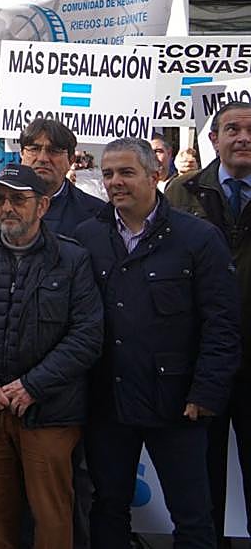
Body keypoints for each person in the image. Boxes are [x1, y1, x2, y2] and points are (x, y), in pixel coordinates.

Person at [77, 138, 239, 548]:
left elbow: (221, 324)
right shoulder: (86, 237)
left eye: (126, 172)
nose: (115, 182)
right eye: (109, 173)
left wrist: (205, 392)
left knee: (191, 514)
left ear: (154, 176)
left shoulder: (198, 238)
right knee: (108, 507)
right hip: (107, 402)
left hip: (177, 404)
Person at [0, 163, 103, 549]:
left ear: (42, 206)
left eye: (17, 199)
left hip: (49, 412)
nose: (6, 207)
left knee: (52, 515)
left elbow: (87, 335)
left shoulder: (72, 260)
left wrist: (32, 386)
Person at [166, 100, 251, 544]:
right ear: (213, 139)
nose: (243, 138)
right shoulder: (180, 193)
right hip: (199, 368)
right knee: (202, 490)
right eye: (232, 129)